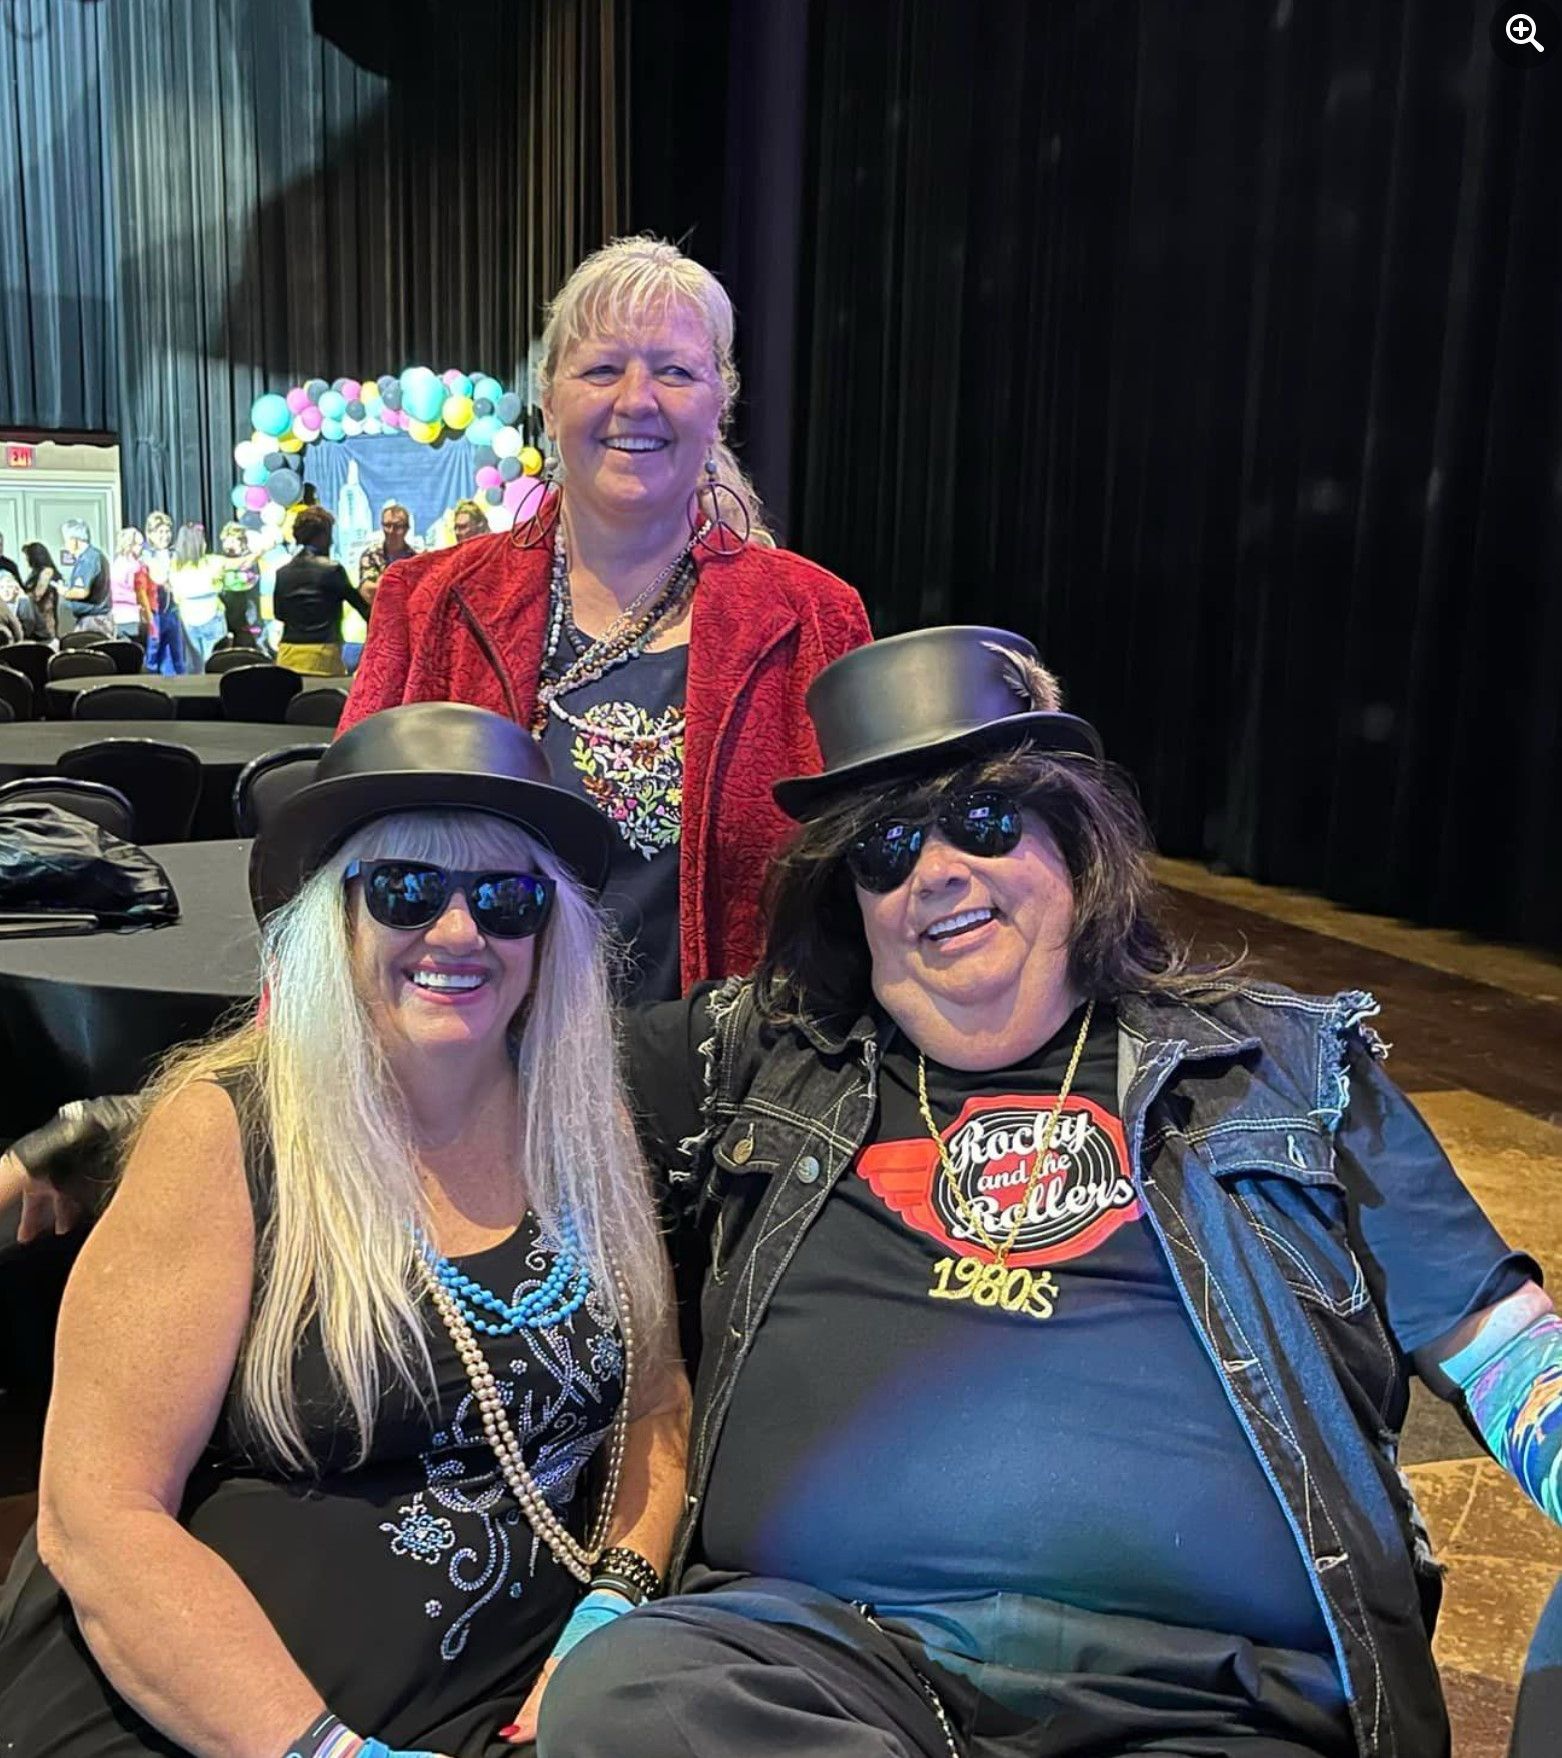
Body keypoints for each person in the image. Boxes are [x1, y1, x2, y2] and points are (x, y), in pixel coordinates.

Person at [533, 626, 1561, 1758]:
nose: (931, 872)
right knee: (633, 1692)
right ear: (849, 900)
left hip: (1201, 1701)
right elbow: (485, 1067)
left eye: (979, 822)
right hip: (833, 1670)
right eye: (880, 850)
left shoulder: (1279, 1068)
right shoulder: (760, 1059)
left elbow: (1509, 1354)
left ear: (1073, 845)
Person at [0, 702, 689, 1757]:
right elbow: (98, 1517)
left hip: (506, 1690)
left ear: (549, 930)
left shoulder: (585, 1120)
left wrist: (616, 1605)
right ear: (340, 917)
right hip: (210, 1705)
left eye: (506, 900)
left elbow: (656, 1409)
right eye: (409, 891)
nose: (458, 934)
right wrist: (321, 1749)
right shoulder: (224, 1134)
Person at [344, 235, 872, 1001]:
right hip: (485, 1085)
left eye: (675, 371)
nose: (637, 400)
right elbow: (335, 879)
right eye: (601, 368)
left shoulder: (816, 615)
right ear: (550, 400)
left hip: (733, 1092)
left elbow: (870, 887)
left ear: (719, 403)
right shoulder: (428, 603)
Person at [273, 505, 372, 675]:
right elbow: (364, 610)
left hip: (287, 656)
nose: (332, 541)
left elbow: (279, 614)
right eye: (329, 534)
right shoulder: (333, 570)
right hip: (324, 656)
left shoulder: (282, 573)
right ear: (321, 536)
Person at [169, 522, 227, 670]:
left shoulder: (174, 566)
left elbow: (176, 596)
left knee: (193, 666)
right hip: (212, 615)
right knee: (216, 664)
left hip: (188, 617)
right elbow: (239, 564)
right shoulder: (213, 562)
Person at [141, 511, 185, 674]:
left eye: (167, 531)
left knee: (177, 656)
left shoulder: (174, 554)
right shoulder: (144, 555)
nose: (165, 536)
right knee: (153, 653)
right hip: (154, 612)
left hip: (172, 611)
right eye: (160, 532)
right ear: (150, 534)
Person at [358, 501, 422, 610]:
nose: (391, 531)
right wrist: (402, 588)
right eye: (387, 525)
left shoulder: (416, 560)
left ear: (407, 529)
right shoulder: (370, 555)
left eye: (397, 526)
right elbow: (367, 593)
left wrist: (382, 584)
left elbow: (418, 598)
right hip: (378, 621)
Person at [59, 519, 113, 636]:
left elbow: (81, 592)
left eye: (66, 541)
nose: (65, 545)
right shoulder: (97, 555)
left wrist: (64, 592)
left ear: (74, 540)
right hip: (98, 619)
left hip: (93, 621)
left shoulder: (87, 560)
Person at [217, 520, 264, 645]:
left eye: (232, 540)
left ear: (242, 542)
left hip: (245, 608)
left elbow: (249, 579)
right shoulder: (222, 558)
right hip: (227, 607)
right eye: (225, 541)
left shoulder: (249, 559)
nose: (228, 545)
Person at [108, 527, 155, 643]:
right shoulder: (135, 567)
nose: (142, 548)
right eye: (139, 545)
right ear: (129, 545)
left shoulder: (115, 564)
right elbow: (140, 593)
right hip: (133, 616)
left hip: (117, 617)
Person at [19, 542, 61, 642]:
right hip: (33, 619)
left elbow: (38, 594)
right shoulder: (33, 573)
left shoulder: (47, 571)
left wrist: (21, 595)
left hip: (45, 621)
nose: (26, 560)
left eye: (27, 556)